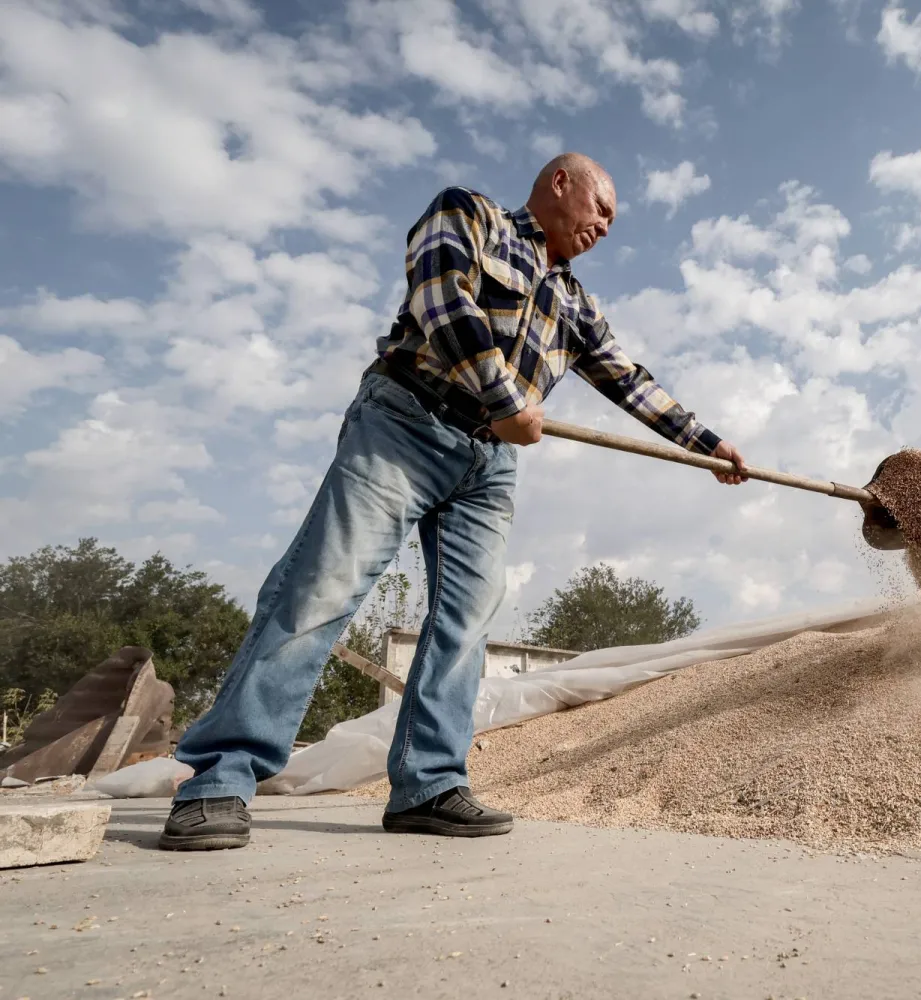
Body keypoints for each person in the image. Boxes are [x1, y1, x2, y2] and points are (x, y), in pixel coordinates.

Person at [158, 153, 748, 850]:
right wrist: (505, 399)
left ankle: (429, 783)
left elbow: (630, 381)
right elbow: (440, 295)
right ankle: (223, 776)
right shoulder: (471, 215)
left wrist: (706, 445)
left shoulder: (577, 304)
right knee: (323, 585)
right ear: (562, 183)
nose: (606, 228)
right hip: (405, 421)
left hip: (489, 462)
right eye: (603, 210)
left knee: (468, 619)